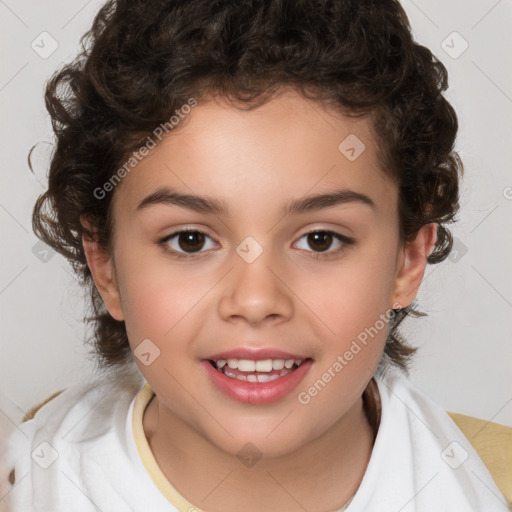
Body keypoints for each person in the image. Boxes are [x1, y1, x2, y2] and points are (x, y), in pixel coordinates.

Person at [4, 0, 509, 510]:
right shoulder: (28, 479)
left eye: (319, 239)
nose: (255, 300)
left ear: (407, 259)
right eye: (190, 240)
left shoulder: (493, 482)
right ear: (106, 266)